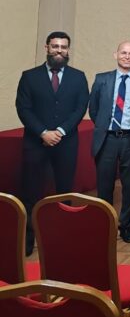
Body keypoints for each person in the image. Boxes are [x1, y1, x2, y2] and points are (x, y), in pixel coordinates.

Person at [16, 31, 89, 256]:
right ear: (46, 47)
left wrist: (60, 131)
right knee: (31, 193)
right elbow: (23, 108)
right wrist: (43, 132)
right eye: (55, 46)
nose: (59, 50)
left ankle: (63, 239)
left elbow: (80, 108)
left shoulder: (78, 77)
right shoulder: (29, 76)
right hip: (35, 143)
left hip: (66, 143)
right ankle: (28, 241)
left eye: (63, 47)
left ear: (68, 50)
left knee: (64, 193)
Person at [89, 41, 130, 243]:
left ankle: (126, 226)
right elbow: (94, 109)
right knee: (104, 186)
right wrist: (105, 127)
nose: (127, 56)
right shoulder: (102, 79)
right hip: (107, 139)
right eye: (123, 52)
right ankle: (104, 226)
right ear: (115, 55)